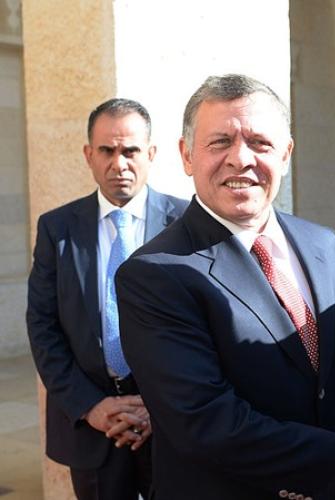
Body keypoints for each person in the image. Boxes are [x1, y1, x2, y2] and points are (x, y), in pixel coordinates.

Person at [115, 74, 335, 500]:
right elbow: (206, 422)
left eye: (259, 142)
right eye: (220, 142)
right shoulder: (154, 274)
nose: (241, 159)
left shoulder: (322, 244)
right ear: (187, 155)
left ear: (286, 154)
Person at [26, 98, 188, 500]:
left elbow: (204, 328)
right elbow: (43, 327)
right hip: (92, 427)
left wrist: (158, 406)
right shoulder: (57, 229)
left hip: (174, 424)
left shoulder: (188, 224)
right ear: (88, 155)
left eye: (131, 150)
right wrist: (91, 406)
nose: (119, 163)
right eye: (107, 150)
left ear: (151, 154)